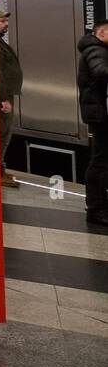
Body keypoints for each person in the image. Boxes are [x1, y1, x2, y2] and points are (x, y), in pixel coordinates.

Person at [77, 19, 108, 228]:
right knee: (100, 160)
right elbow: (100, 71)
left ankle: (99, 205)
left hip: (97, 110)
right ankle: (95, 210)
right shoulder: (95, 49)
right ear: (102, 32)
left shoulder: (95, 48)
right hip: (98, 112)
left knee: (102, 159)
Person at [0, 9, 23, 189]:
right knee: (2, 133)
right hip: (2, 97)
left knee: (3, 133)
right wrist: (3, 98)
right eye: (2, 21)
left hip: (6, 94)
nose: (6, 24)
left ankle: (0, 169)